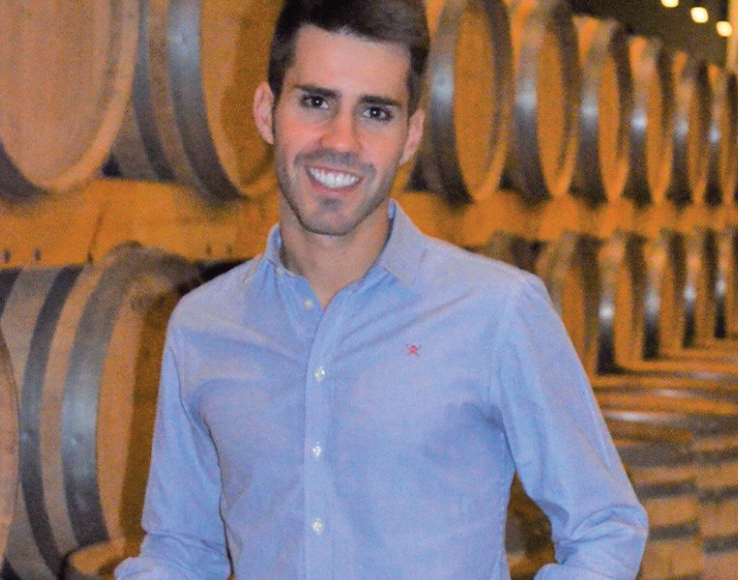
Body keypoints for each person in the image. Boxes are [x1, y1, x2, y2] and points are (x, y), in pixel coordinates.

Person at [115, 0, 647, 577]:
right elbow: (180, 549)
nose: (340, 140)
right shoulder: (203, 327)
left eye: (375, 112)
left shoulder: (497, 312)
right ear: (267, 112)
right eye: (316, 102)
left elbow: (604, 529)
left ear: (412, 135)